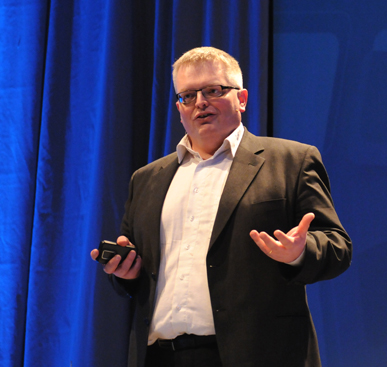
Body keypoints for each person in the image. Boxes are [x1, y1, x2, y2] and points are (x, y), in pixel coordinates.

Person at [91, 46, 351, 367]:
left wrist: (298, 252)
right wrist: (125, 271)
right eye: (188, 96)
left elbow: (338, 247)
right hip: (161, 357)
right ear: (179, 107)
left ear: (241, 99)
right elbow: (142, 274)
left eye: (213, 91)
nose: (200, 102)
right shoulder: (147, 179)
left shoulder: (292, 161)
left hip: (257, 355)